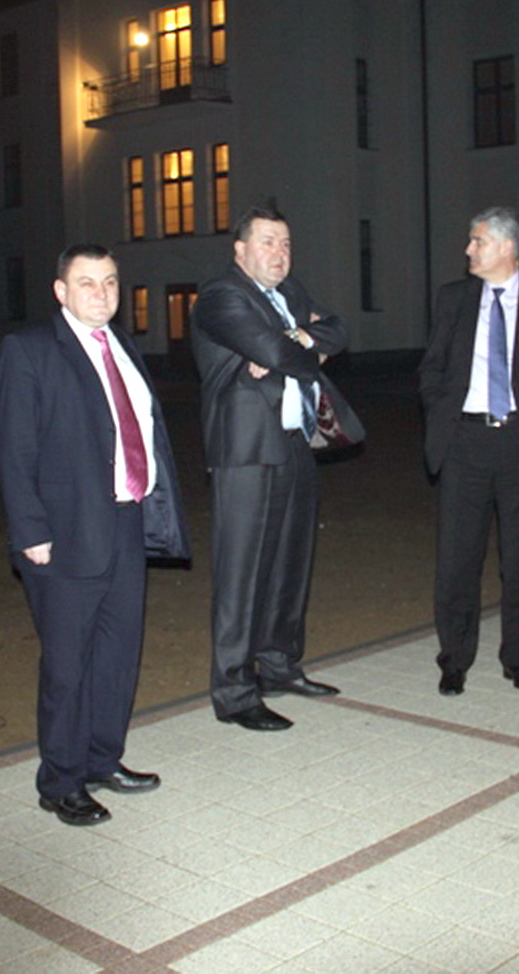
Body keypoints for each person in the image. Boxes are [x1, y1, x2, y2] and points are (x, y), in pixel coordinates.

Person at [0, 245, 189, 824]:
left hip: (125, 523)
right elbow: (14, 447)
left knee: (118, 654)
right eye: (86, 283)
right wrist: (30, 530)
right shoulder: (29, 349)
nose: (101, 294)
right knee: (67, 665)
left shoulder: (122, 344)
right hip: (63, 534)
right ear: (61, 291)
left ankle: (103, 759)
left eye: (109, 282)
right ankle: (60, 781)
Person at [192, 201, 364, 730]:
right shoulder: (221, 296)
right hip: (246, 451)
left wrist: (298, 340)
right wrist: (294, 345)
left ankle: (278, 665)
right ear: (240, 250)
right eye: (267, 242)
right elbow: (274, 349)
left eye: (286, 243)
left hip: (295, 442)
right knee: (242, 572)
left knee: (292, 562)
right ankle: (234, 691)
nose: (280, 253)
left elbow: (338, 330)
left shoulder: (290, 292)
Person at [419, 206, 519, 695]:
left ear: (507, 247)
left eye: (478, 241)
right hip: (465, 443)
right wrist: (443, 421)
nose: (468, 249)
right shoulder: (453, 299)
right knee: (456, 561)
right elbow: (432, 368)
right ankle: (454, 660)